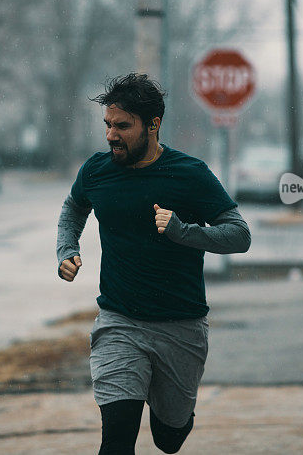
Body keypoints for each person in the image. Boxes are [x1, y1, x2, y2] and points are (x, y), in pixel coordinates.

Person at [56, 73, 251, 454]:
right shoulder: (96, 171)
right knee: (116, 438)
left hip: (181, 326)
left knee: (169, 439)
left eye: (123, 126)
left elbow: (239, 234)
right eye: (108, 125)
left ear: (153, 125)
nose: (111, 135)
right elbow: (73, 208)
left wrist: (184, 231)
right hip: (119, 322)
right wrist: (67, 249)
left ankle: (175, 416)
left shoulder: (189, 174)